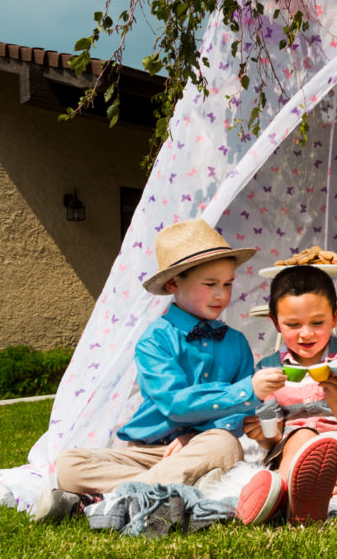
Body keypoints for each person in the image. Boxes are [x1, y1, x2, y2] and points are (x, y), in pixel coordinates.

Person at [34, 219, 287, 523]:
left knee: (224, 444)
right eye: (210, 284)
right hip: (146, 453)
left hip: (202, 448)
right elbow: (173, 401)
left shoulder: (236, 343)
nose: (221, 294)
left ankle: (106, 501)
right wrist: (247, 390)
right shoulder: (154, 340)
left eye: (227, 284)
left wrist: (197, 435)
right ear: (172, 285)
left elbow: (238, 418)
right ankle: (177, 490)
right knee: (68, 464)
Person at [236, 265, 337, 525]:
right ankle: (298, 491)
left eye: (317, 322)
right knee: (303, 435)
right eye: (293, 324)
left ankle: (294, 495)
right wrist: (263, 433)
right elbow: (273, 436)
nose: (306, 333)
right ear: (276, 322)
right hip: (293, 442)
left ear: (335, 317)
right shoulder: (269, 368)